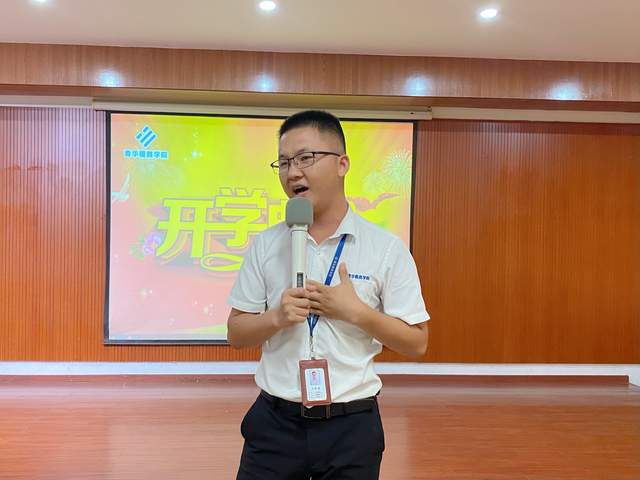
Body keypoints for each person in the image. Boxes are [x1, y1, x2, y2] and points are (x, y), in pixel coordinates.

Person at [227, 110, 429, 480]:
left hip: (351, 427)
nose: (293, 173)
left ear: (342, 164)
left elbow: (417, 343)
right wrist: (276, 317)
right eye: (284, 162)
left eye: (305, 158)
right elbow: (236, 333)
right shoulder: (266, 245)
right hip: (274, 424)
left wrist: (357, 313)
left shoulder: (386, 248)